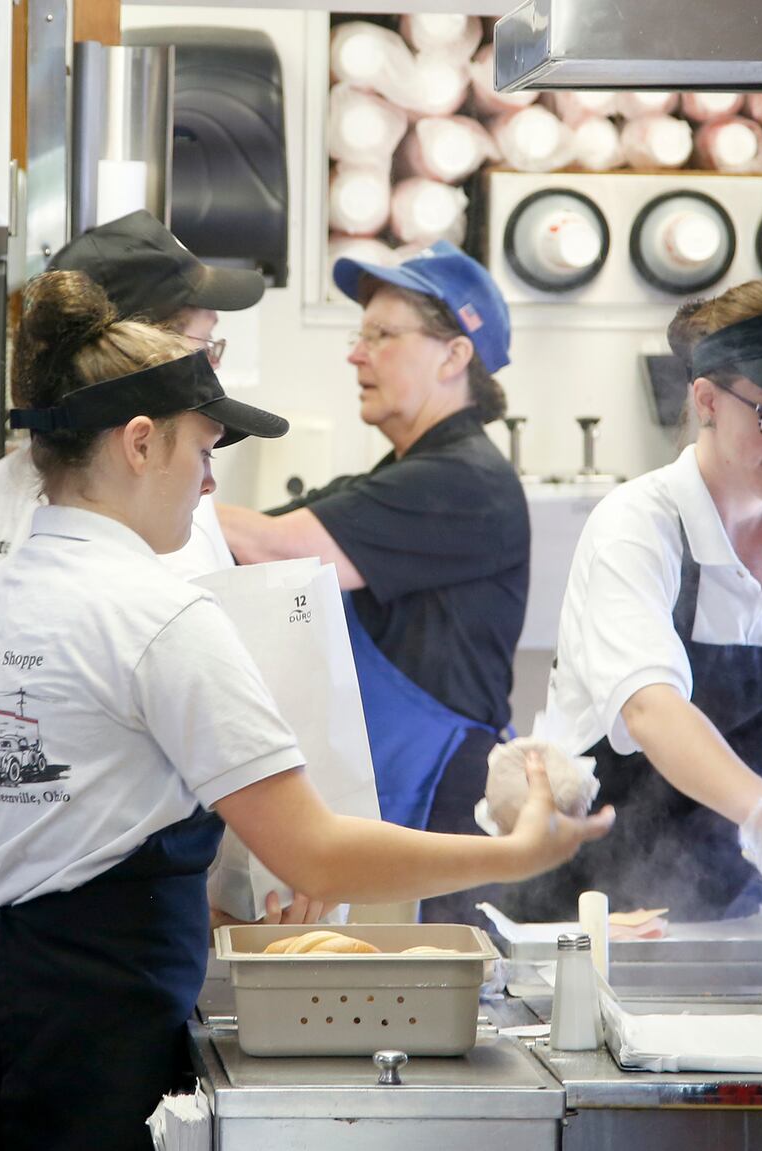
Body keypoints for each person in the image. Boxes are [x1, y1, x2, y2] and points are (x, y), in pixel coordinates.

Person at [0, 270, 611, 1151]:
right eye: (206, 449)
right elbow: (311, 848)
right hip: (95, 1040)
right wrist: (517, 850)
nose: (211, 484)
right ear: (140, 443)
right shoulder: (160, 614)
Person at [0, 210, 294, 1151]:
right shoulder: (151, 527)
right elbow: (208, 748)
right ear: (128, 355)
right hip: (74, 932)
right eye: (198, 335)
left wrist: (6, 779)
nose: (211, 357)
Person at [499, 279, 762, 947]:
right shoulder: (639, 525)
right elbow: (652, 709)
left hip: (736, 925)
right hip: (590, 920)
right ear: (707, 399)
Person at [216, 242, 528, 921]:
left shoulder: (462, 480)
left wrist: (147, 493)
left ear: (454, 356)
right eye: (361, 336)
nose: (357, 355)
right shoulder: (396, 477)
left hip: (440, 810)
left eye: (381, 335)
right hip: (395, 804)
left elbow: (274, 550)